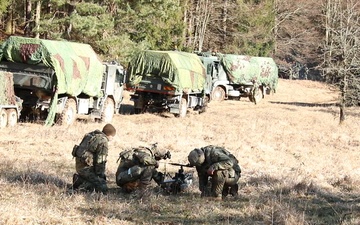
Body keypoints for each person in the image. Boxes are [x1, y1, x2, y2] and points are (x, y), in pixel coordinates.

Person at [71, 123, 116, 194]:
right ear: (110, 135)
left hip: (79, 166)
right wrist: (100, 177)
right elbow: (100, 162)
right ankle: (80, 182)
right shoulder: (103, 141)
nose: (112, 139)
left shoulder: (92, 135)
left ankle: (80, 179)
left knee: (100, 180)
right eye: (113, 137)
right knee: (102, 188)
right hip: (86, 168)